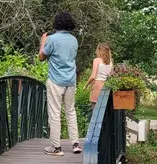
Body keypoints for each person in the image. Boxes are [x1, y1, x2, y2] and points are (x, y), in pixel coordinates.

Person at [39, 11, 81, 155]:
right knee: (70, 111)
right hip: (70, 80)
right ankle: (75, 144)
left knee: (55, 113)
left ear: (56, 23)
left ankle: (56, 148)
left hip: (56, 80)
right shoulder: (74, 40)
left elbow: (41, 57)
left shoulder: (52, 39)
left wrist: (43, 42)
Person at [84, 43, 113, 108]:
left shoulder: (97, 60)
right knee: (103, 109)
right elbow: (110, 76)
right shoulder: (110, 62)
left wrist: (85, 85)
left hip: (97, 85)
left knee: (95, 108)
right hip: (106, 85)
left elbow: (93, 76)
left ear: (99, 50)